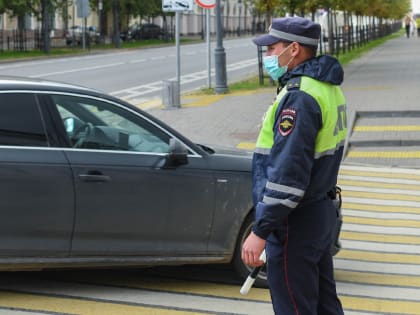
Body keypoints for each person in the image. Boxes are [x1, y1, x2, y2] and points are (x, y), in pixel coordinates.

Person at [241, 16, 346, 315]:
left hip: (295, 223)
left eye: (272, 48)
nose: (268, 56)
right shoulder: (326, 87)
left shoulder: (299, 98)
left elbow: (288, 175)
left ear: (294, 49)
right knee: (325, 304)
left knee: (295, 308)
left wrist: (260, 230)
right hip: (319, 212)